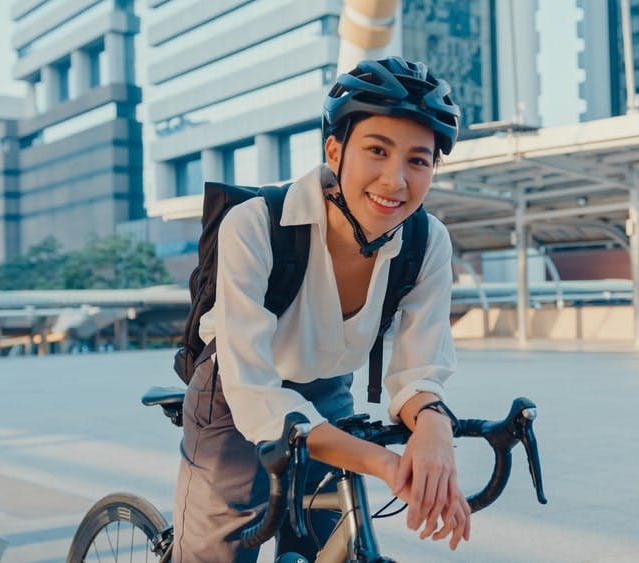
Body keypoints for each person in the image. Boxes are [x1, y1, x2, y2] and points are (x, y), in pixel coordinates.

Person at [172, 56, 468, 562]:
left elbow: (418, 369)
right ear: (336, 150)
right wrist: (384, 463)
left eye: (419, 160)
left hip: (327, 387)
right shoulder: (254, 225)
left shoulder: (426, 241)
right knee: (222, 547)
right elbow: (253, 392)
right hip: (233, 389)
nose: (395, 180)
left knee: (324, 543)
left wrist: (435, 429)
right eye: (377, 150)